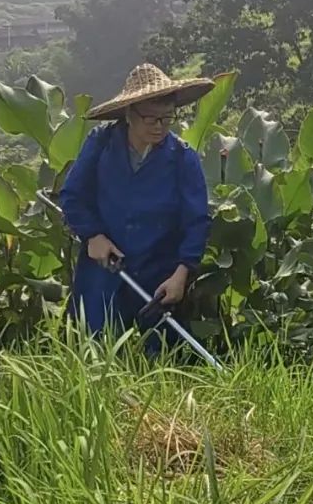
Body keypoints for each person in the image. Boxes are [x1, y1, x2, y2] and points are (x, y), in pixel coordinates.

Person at [58, 63, 213, 354]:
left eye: (167, 119)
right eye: (150, 119)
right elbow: (73, 196)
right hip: (103, 271)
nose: (159, 127)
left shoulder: (182, 158)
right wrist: (93, 235)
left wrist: (181, 274)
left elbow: (197, 221)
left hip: (157, 277)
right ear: (129, 115)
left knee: (156, 359)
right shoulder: (101, 144)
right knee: (97, 351)